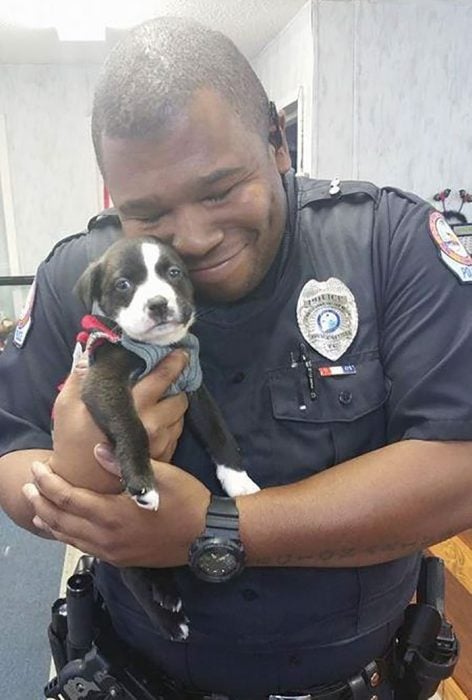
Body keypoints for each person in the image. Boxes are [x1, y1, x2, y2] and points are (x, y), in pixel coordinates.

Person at [0, 16, 471, 700]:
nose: (190, 238)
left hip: (361, 678)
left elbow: (459, 467)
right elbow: (11, 450)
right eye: (148, 213)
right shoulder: (83, 273)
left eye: (220, 189)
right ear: (112, 198)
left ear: (277, 140)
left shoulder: (389, 247)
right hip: (133, 675)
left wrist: (215, 528)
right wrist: (68, 477)